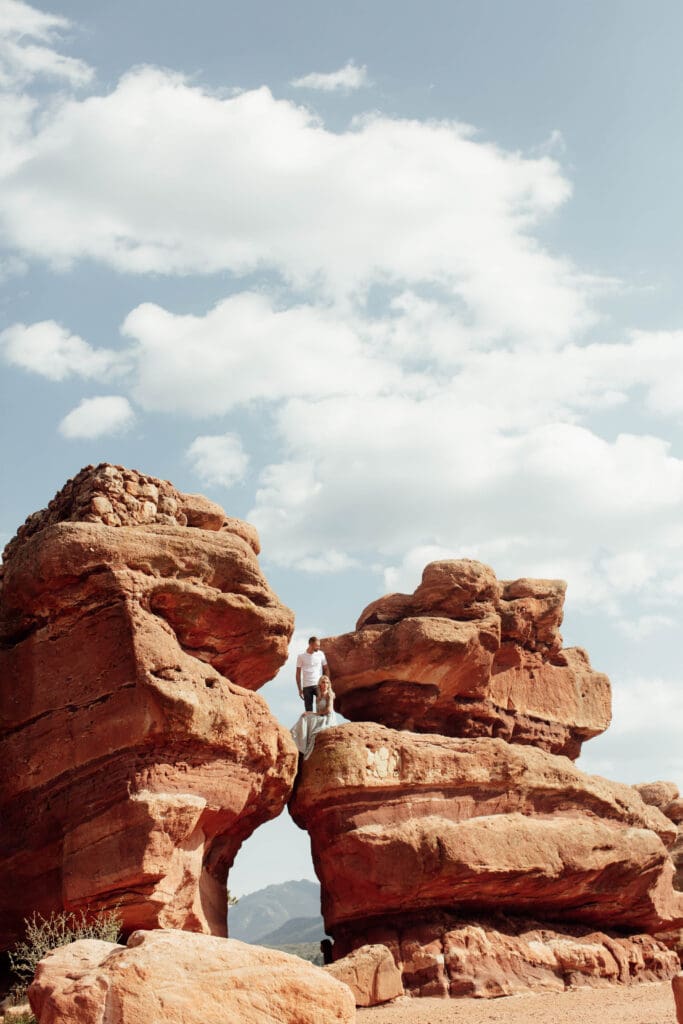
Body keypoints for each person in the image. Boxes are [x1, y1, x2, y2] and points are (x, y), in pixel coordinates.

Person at [290, 676, 337, 759]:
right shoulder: (318, 696)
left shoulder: (329, 694)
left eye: (327, 682)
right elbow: (318, 711)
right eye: (323, 682)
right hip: (320, 715)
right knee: (304, 716)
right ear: (320, 684)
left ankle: (303, 744)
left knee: (309, 719)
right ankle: (295, 737)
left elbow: (329, 710)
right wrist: (310, 712)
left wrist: (314, 714)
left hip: (327, 718)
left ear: (329, 685)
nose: (325, 684)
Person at [296, 636, 329, 712]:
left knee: (322, 707)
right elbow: (298, 673)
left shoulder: (321, 654)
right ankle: (311, 724)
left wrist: (327, 684)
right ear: (310, 644)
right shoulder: (301, 656)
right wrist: (299, 689)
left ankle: (322, 724)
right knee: (309, 711)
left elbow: (326, 669)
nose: (319, 647)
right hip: (306, 686)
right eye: (317, 645)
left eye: (319, 645)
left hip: (318, 685)